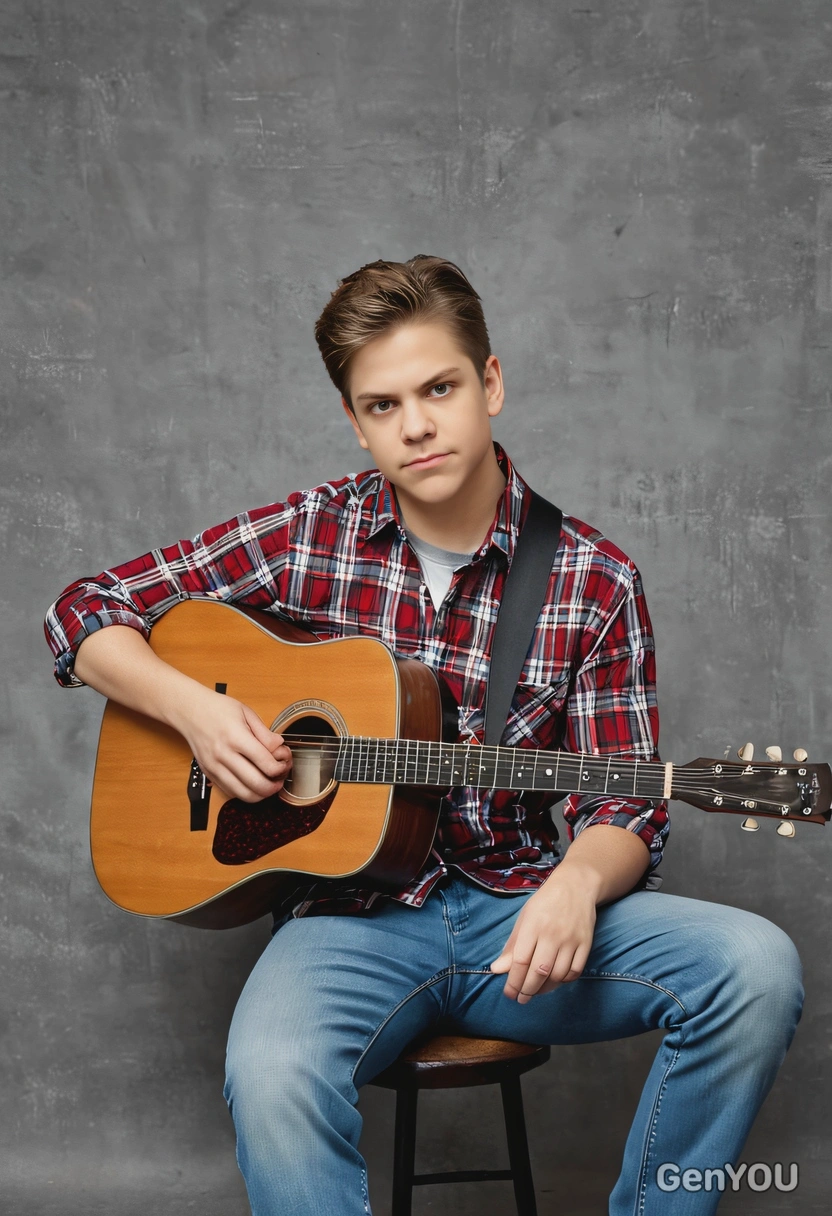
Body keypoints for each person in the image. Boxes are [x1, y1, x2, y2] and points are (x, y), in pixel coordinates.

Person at [44, 255, 803, 1215]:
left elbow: (622, 798)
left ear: (490, 382)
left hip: (515, 922)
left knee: (755, 968)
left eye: (439, 388)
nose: (416, 426)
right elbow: (84, 608)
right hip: (344, 928)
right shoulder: (310, 532)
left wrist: (575, 882)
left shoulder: (589, 578)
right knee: (272, 1072)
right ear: (356, 420)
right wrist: (193, 710)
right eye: (381, 404)